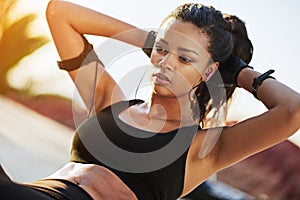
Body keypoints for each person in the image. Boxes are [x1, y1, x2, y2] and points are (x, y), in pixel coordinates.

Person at [1, 1, 300, 200]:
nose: (167, 63)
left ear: (208, 71)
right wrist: (151, 39)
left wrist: (239, 72)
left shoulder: (204, 149)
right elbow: (59, 13)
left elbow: (292, 111)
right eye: (162, 50)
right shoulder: (112, 102)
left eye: (184, 58)